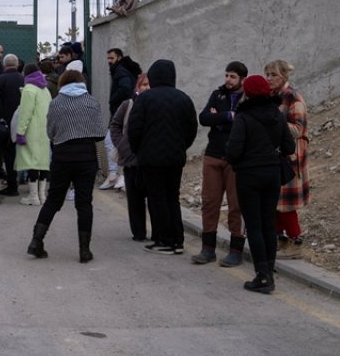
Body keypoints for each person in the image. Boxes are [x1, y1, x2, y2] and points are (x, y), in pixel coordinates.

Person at [26, 70, 106, 263]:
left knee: (53, 200)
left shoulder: (56, 103)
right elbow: (100, 133)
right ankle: (84, 250)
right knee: (84, 203)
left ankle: (36, 241)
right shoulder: (92, 102)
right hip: (86, 157)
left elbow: (50, 132)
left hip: (62, 157)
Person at [225, 74, 295, 294]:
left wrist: (241, 161)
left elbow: (233, 151)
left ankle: (262, 276)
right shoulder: (277, 114)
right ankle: (269, 272)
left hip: (249, 175)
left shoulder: (243, 117)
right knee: (268, 225)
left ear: (248, 92)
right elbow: (289, 147)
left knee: (254, 225)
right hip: (272, 174)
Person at [126, 59, 197, 255]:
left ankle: (164, 240)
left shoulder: (145, 99)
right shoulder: (184, 99)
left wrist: (139, 150)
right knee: (172, 198)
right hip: (175, 158)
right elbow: (192, 129)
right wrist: (182, 147)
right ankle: (178, 240)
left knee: (157, 198)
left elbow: (134, 128)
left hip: (150, 158)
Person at [193, 61, 249, 267]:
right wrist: (226, 116)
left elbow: (244, 122)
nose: (228, 80)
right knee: (209, 202)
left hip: (236, 160)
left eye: (232, 76)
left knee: (236, 205)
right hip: (213, 155)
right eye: (226, 75)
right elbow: (205, 117)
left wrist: (220, 119)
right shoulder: (218, 95)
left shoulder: (247, 98)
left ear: (242, 79)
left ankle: (236, 250)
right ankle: (207, 249)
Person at [265, 59, 310, 258]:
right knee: (273, 199)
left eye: (273, 74)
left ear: (284, 76)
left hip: (290, 157)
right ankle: (280, 238)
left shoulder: (293, 97)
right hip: (273, 155)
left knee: (285, 203)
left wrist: (274, 122)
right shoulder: (271, 97)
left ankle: (295, 240)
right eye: (267, 74)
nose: (269, 78)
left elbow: (298, 129)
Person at [111, 72, 153, 242]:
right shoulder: (128, 105)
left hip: (150, 159)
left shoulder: (156, 105)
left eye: (150, 84)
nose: (147, 88)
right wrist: (121, 144)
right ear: (137, 87)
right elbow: (115, 125)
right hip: (131, 159)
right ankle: (138, 232)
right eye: (144, 84)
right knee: (135, 199)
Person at [14, 63, 50, 206]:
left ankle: (33, 196)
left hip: (31, 131)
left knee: (32, 163)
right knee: (43, 163)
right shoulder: (45, 89)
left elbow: (25, 113)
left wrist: (20, 132)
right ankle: (42, 195)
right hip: (45, 131)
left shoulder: (29, 90)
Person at [0, 53, 25, 196]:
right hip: (23, 122)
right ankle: (30, 183)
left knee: (8, 155)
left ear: (4, 65)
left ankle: (12, 185)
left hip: (4, 124)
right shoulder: (25, 80)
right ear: (17, 65)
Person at [106, 48, 142, 116]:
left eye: (112, 58)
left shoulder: (121, 71)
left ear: (119, 58)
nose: (109, 61)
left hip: (121, 111)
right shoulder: (119, 69)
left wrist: (113, 100)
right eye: (108, 58)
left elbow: (125, 89)